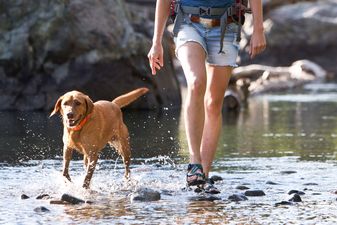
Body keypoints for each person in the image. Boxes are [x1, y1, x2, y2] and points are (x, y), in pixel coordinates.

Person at [148, 0, 266, 194]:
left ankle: (203, 175)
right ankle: (194, 164)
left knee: (213, 103)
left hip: (226, 26)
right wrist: (156, 42)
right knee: (195, 82)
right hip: (188, 23)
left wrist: (258, 28)